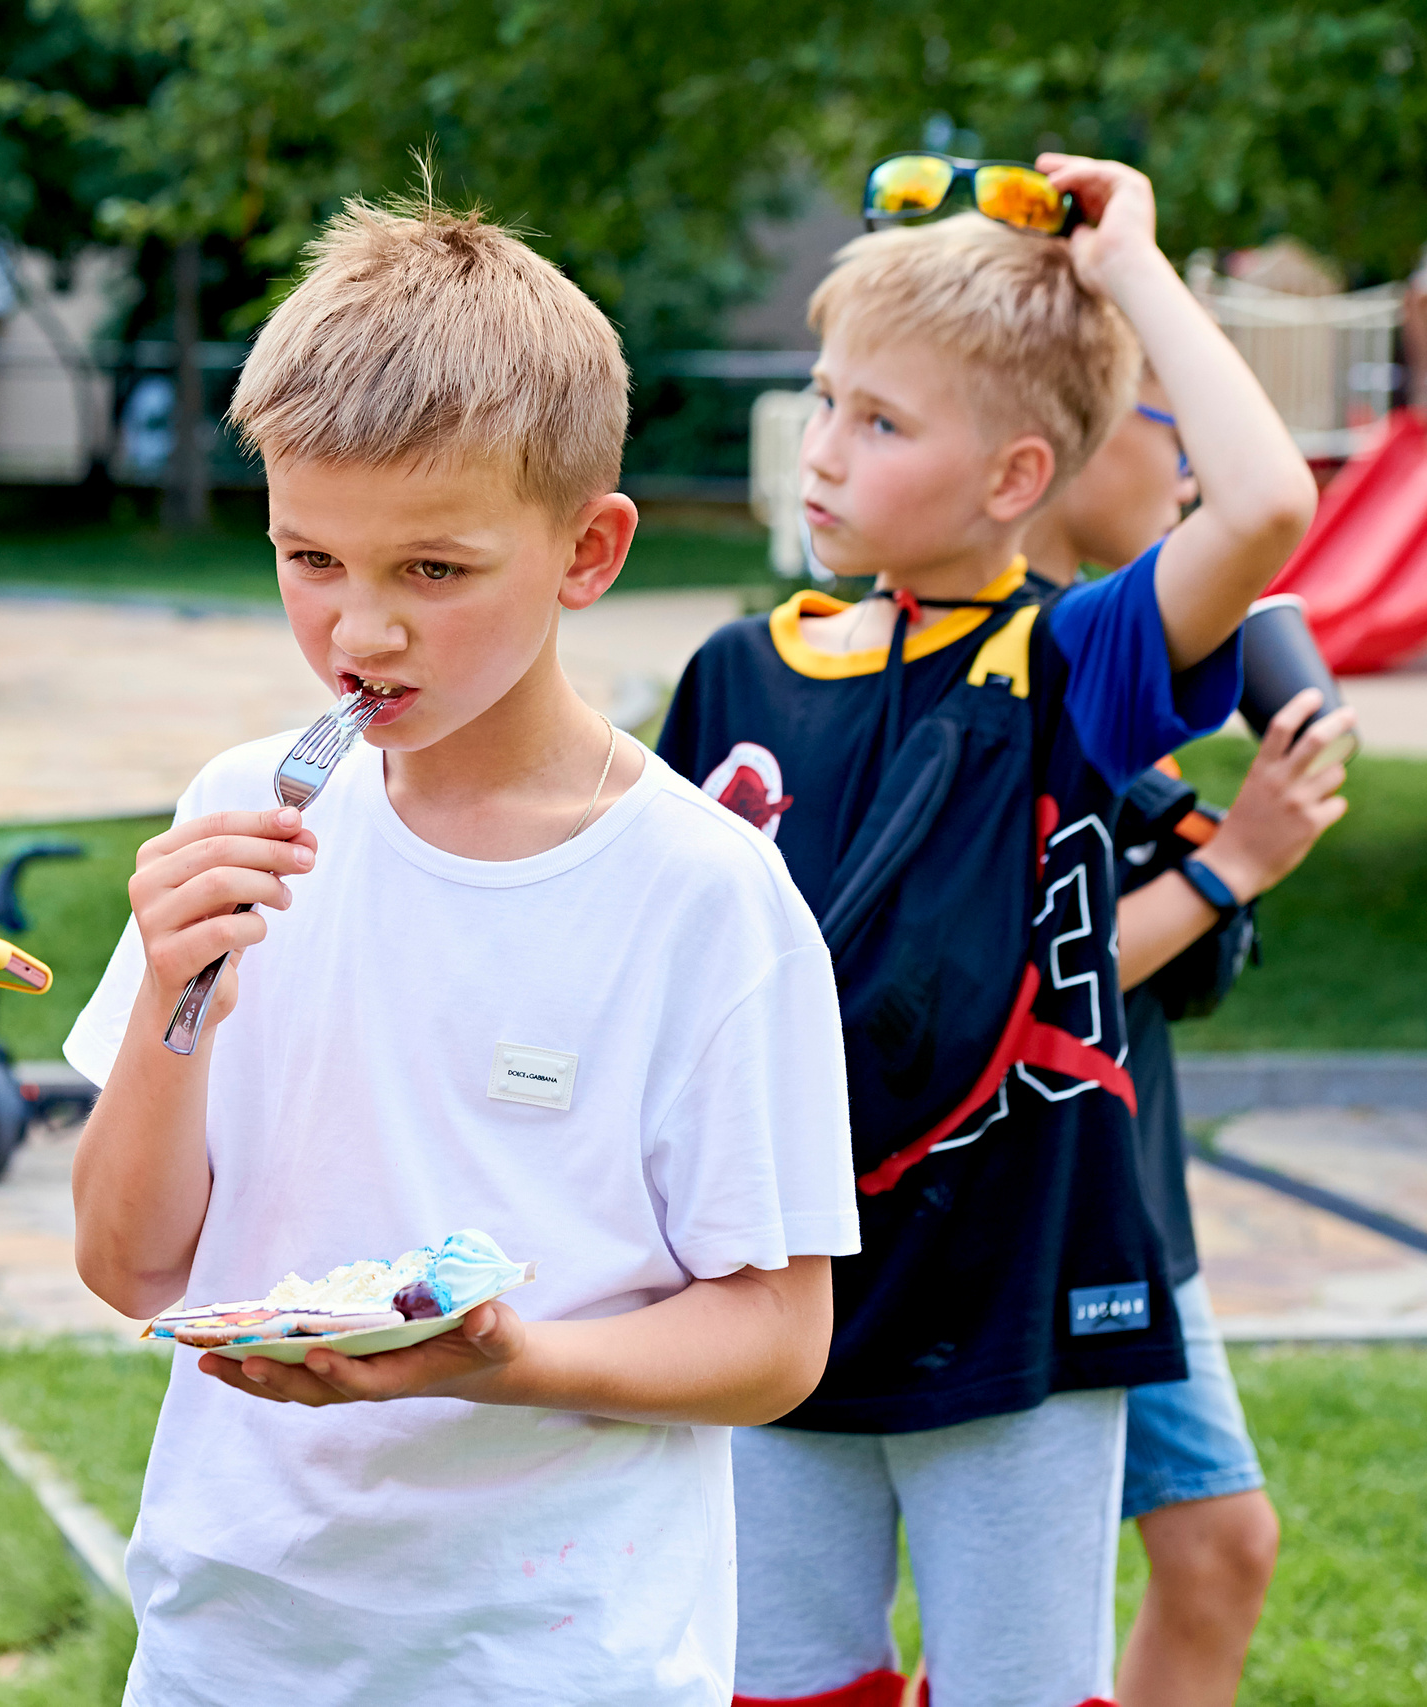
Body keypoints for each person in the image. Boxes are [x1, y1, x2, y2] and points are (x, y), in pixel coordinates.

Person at [64, 199, 859, 1707]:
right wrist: (177, 993)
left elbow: (776, 1334)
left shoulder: (702, 892)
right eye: (311, 556)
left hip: (555, 1657)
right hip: (230, 1638)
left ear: (590, 548)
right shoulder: (239, 812)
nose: (360, 630)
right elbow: (129, 1262)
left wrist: (507, 1358)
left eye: (435, 570)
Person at [657, 154, 1317, 1707]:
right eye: (824, 399)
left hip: (1017, 1298)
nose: (821, 452)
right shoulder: (734, 672)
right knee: (781, 1683)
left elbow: (1272, 501)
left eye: (880, 423)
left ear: (1017, 476)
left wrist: (1134, 268)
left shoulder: (1078, 659)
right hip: (784, 1288)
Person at [1023, 392, 1355, 1707]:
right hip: (1046, 1195)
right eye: (1170, 417)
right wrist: (1235, 866)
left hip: (1127, 1179)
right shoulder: (1022, 655)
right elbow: (1024, 973)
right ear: (1051, 440)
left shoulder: (1101, 644)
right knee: (1054, 1602)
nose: (1193, 463)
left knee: (1215, 1547)